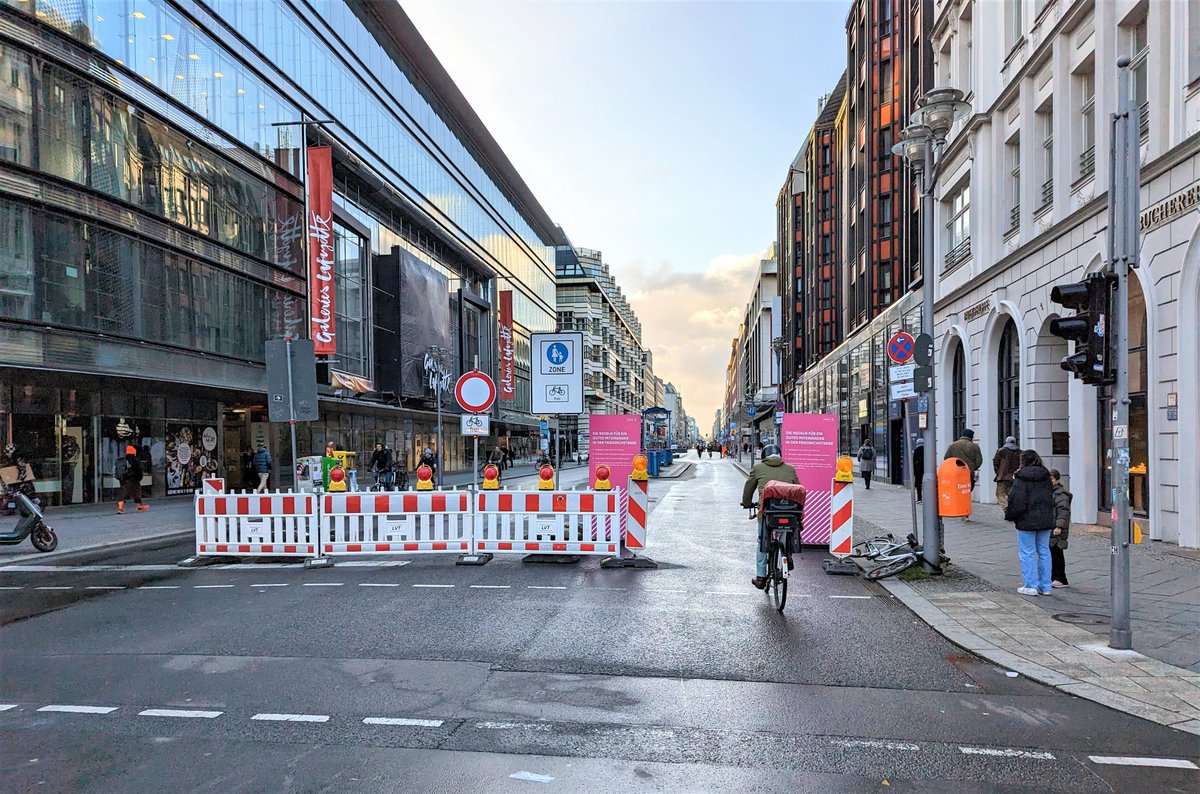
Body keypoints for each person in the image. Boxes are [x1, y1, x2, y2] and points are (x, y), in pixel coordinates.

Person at [740, 444, 800, 591]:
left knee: (762, 541)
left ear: (764, 456)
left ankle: (761, 577)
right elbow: (798, 489)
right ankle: (788, 557)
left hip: (767, 513)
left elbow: (749, 487)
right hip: (789, 513)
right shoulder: (790, 469)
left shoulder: (758, 468)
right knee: (788, 533)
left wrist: (747, 503)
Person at [1004, 449, 1055, 596]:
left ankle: (1031, 585)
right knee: (1044, 551)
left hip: (1026, 519)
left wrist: (1011, 515)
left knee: (1027, 552)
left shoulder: (1020, 477)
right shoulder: (1046, 476)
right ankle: (1046, 586)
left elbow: (1017, 500)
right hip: (1045, 518)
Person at [945, 429, 983, 518]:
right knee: (966, 492)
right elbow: (979, 460)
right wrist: (972, 468)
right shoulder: (974, 447)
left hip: (955, 474)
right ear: (971, 437)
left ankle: (955, 509)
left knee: (956, 491)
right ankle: (964, 512)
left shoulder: (952, 446)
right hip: (968, 473)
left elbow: (946, 458)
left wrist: (952, 468)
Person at [1049, 469, 1072, 588]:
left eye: (1052, 478)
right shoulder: (1052, 492)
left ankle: (1061, 578)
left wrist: (1059, 526)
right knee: (1052, 553)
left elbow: (1063, 511)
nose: (1049, 481)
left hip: (1057, 529)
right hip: (1051, 527)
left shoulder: (1060, 494)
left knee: (1057, 553)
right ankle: (1053, 577)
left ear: (1057, 480)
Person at [117, 444, 148, 514]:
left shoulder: (124, 460)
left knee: (123, 492)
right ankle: (139, 506)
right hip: (134, 479)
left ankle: (120, 508)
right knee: (137, 492)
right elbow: (138, 470)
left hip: (124, 479)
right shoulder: (134, 459)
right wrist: (139, 477)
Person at [993, 436, 1022, 511]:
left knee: (1000, 494)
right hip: (1015, 477)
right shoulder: (1020, 452)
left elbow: (996, 462)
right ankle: (1012, 508)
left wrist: (998, 472)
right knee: (1012, 494)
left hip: (1003, 477)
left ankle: (1006, 507)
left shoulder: (1001, 451)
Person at [912, 438, 925, 502]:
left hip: (918, 470)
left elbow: (914, 462)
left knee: (918, 484)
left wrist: (914, 472)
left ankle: (919, 498)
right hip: (926, 469)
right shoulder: (926, 450)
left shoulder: (916, 451)